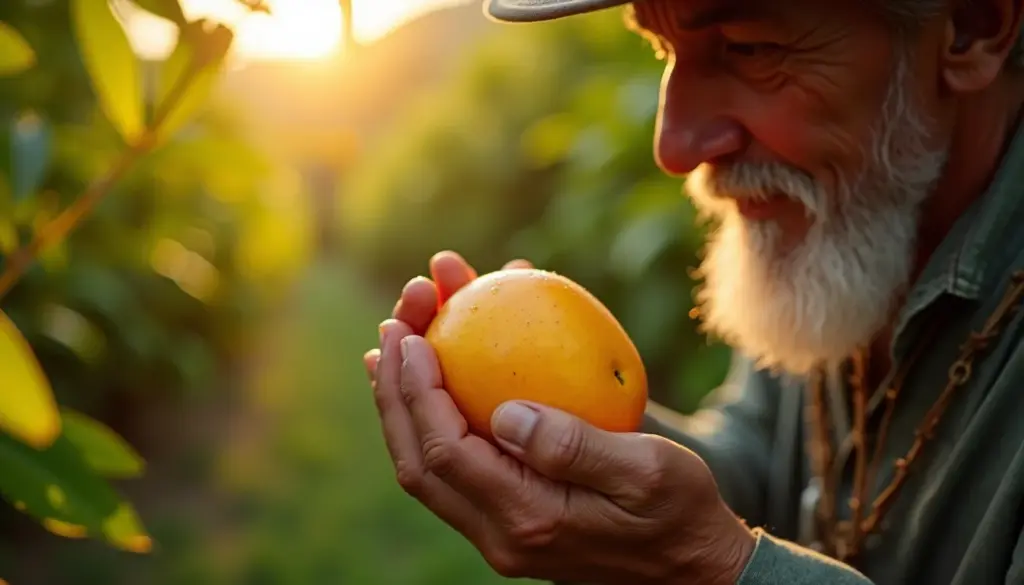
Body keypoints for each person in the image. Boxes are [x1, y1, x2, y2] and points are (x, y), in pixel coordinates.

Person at [362, 0, 1024, 582]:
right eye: (662, 48)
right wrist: (566, 435)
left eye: (749, 49)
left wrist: (713, 567)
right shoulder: (847, 231)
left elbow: (722, 544)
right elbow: (755, 469)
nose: (673, 145)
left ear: (970, 25)